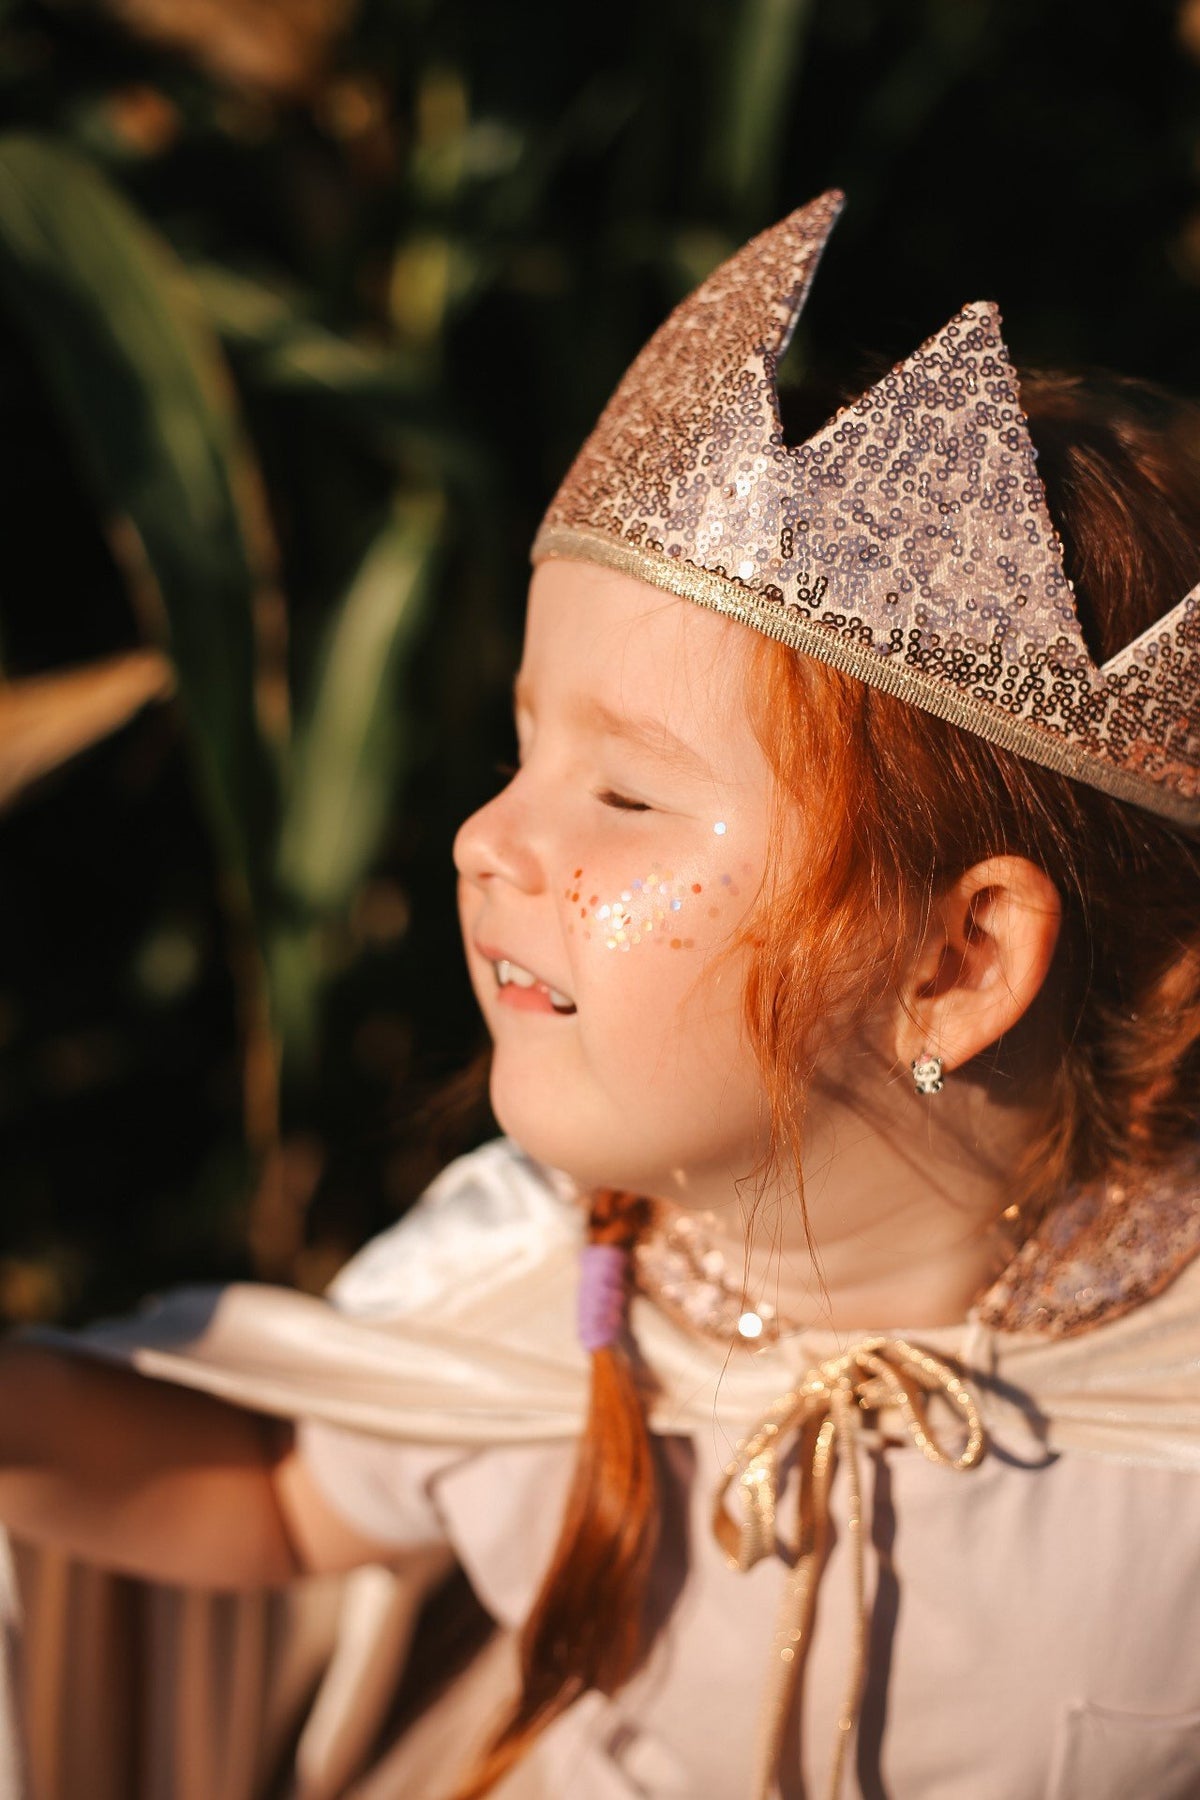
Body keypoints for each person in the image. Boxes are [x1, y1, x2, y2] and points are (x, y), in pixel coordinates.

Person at [1, 189, 1200, 1800]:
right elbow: (286, 1489)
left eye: (626, 800)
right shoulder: (535, 1289)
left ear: (959, 963)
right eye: (521, 753)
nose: (489, 838)